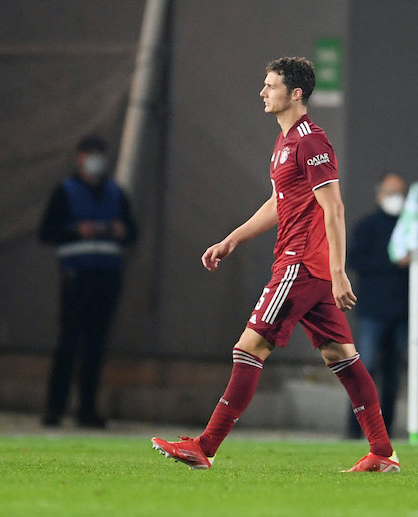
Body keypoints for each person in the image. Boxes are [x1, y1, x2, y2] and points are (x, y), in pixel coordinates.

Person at [151, 57, 399, 473]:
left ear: (295, 93)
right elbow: (277, 204)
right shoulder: (285, 143)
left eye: (270, 86)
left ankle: (205, 447)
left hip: (300, 265)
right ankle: (381, 452)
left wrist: (339, 271)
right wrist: (232, 238)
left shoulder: (310, 141)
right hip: (311, 269)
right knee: (344, 358)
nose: (263, 92)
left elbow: (333, 208)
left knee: (249, 348)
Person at [39, 135, 137, 428]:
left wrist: (120, 230)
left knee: (96, 345)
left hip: (106, 277)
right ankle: (54, 409)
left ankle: (87, 410)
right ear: (80, 158)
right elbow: (47, 231)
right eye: (90, 155)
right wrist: (76, 230)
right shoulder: (66, 191)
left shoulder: (115, 193)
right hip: (76, 277)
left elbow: (133, 233)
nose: (96, 161)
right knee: (68, 342)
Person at [347, 173, 418, 438]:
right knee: (365, 368)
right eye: (391, 193)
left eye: (400, 193)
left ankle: (386, 430)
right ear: (379, 194)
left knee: (394, 373)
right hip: (373, 311)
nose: (396, 199)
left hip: (403, 312)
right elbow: (355, 260)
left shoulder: (414, 227)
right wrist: (392, 261)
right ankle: (355, 429)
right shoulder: (368, 226)